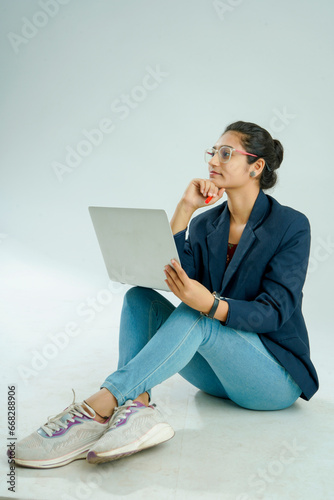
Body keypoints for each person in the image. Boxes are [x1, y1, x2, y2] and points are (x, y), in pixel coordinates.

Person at [12, 120, 319, 469]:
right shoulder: (206, 225)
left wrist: (212, 305)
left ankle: (98, 407)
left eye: (226, 153)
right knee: (139, 298)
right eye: (212, 152)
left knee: (196, 316)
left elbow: (275, 311)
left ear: (256, 166)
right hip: (218, 378)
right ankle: (136, 409)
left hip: (274, 378)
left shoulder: (292, 225)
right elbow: (172, 272)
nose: (213, 161)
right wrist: (185, 209)